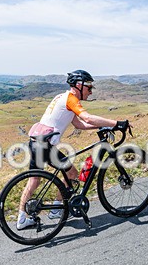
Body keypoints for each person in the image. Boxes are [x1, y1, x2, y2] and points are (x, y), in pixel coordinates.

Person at [17, 69, 128, 229]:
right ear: (78, 85)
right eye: (89, 87)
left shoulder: (62, 97)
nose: (90, 91)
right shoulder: (71, 100)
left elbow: (78, 124)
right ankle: (56, 210)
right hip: (46, 146)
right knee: (73, 174)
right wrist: (116, 123)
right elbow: (87, 118)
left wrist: (102, 126)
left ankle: (21, 219)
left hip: (36, 142)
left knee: (34, 180)